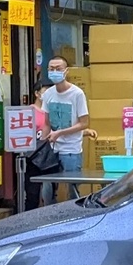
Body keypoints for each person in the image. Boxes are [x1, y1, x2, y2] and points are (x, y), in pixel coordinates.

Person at [38, 57, 89, 204]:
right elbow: (46, 122)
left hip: (71, 149)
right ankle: (49, 217)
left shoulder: (77, 94)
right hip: (52, 149)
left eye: (58, 69)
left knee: (72, 188)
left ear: (66, 71)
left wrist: (60, 133)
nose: (54, 72)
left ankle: (74, 217)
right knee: (47, 188)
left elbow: (84, 123)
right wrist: (42, 144)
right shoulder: (47, 94)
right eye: (51, 69)